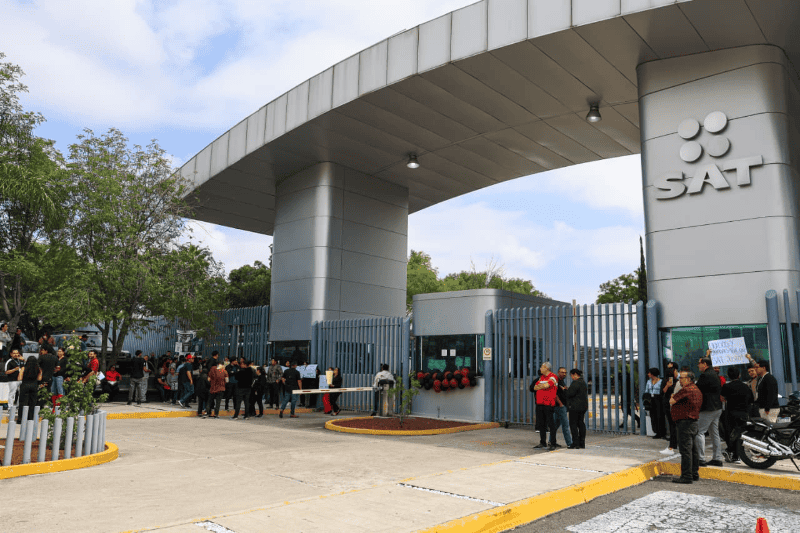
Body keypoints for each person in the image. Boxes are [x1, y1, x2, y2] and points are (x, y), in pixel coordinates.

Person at [669, 371, 703, 484]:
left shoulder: (686, 390)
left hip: (685, 422)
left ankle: (687, 476)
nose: (680, 380)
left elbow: (671, 401)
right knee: (693, 450)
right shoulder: (696, 389)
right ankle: (694, 473)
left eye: (682, 378)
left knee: (686, 450)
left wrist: (673, 396)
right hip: (693, 422)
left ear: (688, 379)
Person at [720, 366, 753, 464]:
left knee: (730, 434)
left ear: (728, 376)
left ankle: (731, 451)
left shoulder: (726, 386)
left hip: (731, 413)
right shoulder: (745, 386)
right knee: (740, 434)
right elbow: (751, 399)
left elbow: (722, 398)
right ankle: (736, 455)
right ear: (739, 375)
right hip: (743, 413)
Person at [695, 354, 723, 467]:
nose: (698, 366)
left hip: (707, 408)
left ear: (705, 364)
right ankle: (717, 458)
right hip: (717, 408)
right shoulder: (714, 374)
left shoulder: (705, 375)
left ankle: (701, 459)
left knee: (699, 432)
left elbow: (697, 390)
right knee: (714, 433)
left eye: (699, 364)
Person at [533, 362, 559, 451]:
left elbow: (547, 385)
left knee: (551, 424)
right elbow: (535, 387)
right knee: (541, 424)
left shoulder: (553, 377)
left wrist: (542, 385)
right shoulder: (541, 377)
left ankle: (553, 443)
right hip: (540, 403)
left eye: (542, 367)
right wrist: (542, 386)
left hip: (549, 404)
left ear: (546, 368)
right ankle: (542, 442)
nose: (540, 369)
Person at [660, 362, 680, 454]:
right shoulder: (665, 381)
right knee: (672, 425)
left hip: (677, 404)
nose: (676, 373)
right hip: (668, 404)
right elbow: (662, 392)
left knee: (676, 425)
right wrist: (667, 385)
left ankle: (675, 444)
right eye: (674, 371)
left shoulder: (679, 381)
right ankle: (673, 444)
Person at [551, 367, 572, 448]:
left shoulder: (562, 381)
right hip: (560, 406)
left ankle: (551, 441)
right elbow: (554, 394)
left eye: (565, 372)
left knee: (555, 425)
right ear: (558, 372)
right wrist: (560, 404)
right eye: (562, 372)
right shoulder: (556, 381)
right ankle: (570, 443)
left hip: (561, 406)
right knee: (565, 425)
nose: (564, 374)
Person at [566, 368, 588, 449]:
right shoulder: (583, 382)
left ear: (575, 374)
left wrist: (566, 390)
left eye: (572, 375)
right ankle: (582, 443)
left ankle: (575, 443)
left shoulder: (576, 382)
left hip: (575, 407)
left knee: (573, 424)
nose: (572, 377)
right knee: (581, 423)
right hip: (583, 407)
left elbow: (569, 394)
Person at [17, 354, 42, 422]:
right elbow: (39, 378)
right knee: (32, 402)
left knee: (23, 402)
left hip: (25, 385)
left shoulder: (24, 368)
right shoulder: (38, 369)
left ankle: (21, 418)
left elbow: (19, 378)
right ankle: (30, 418)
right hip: (34, 385)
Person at [754, 359, 780, 423]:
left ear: (763, 368)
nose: (755, 369)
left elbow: (771, 394)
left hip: (770, 408)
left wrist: (767, 408)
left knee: (769, 426)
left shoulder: (769, 378)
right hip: (764, 407)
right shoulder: (761, 378)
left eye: (757, 367)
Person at [644, 367, 666, 439]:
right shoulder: (648, 382)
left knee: (660, 415)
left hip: (658, 399)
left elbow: (662, 391)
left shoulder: (661, 381)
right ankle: (656, 431)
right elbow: (646, 391)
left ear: (653, 374)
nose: (648, 374)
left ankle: (661, 432)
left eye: (649, 373)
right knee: (653, 415)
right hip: (651, 399)